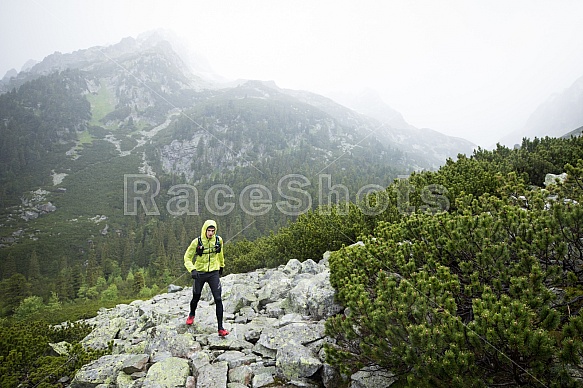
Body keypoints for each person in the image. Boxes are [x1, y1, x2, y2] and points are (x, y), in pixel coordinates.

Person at [183, 219, 229, 337]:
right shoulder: (196, 242)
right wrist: (192, 269)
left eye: (213, 231)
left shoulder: (218, 240)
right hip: (200, 273)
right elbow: (187, 258)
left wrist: (222, 266)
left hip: (213, 272)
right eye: (209, 230)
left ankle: (220, 328)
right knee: (196, 296)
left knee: (218, 299)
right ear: (205, 230)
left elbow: (221, 254)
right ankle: (192, 314)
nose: (211, 233)